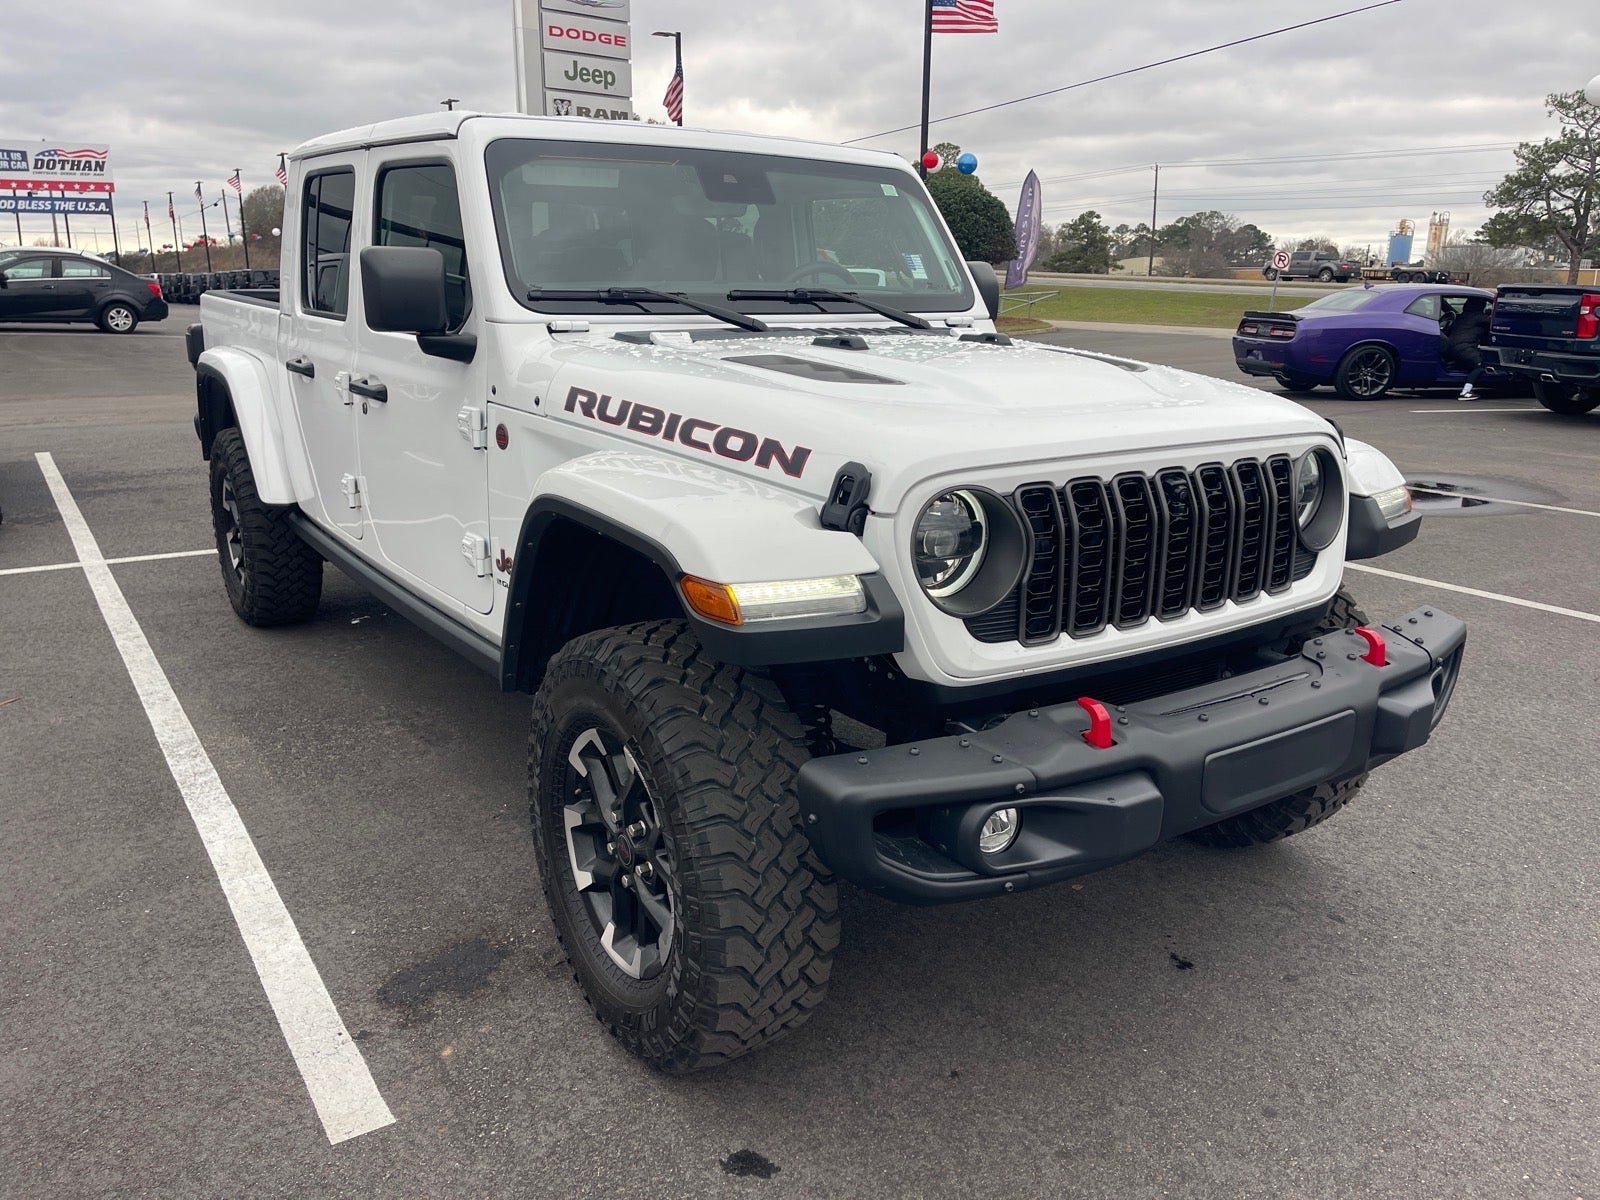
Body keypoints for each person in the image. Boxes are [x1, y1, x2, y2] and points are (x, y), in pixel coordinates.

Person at [1445, 295, 1492, 400]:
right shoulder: (1479, 317)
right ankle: (1466, 392)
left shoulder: (1460, 317)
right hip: (1465, 348)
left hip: (1451, 348)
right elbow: (1494, 322)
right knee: (1480, 366)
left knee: (1466, 362)